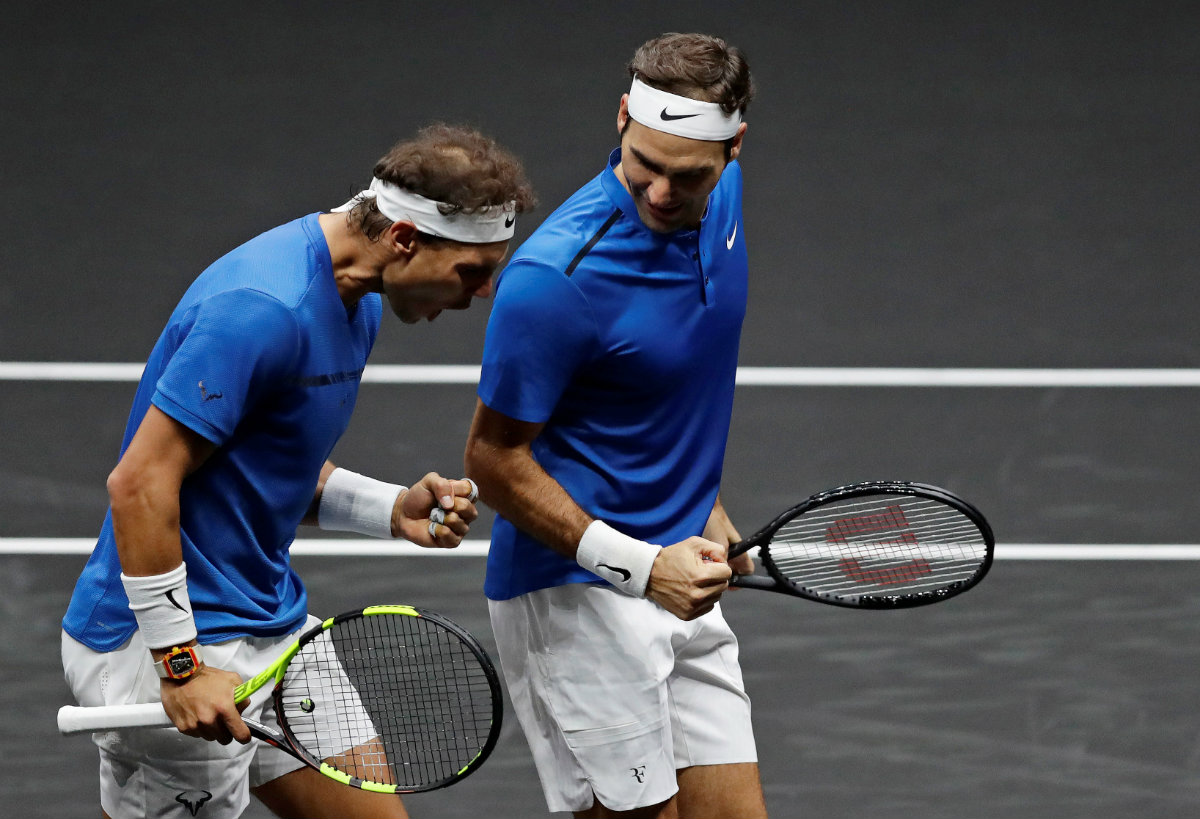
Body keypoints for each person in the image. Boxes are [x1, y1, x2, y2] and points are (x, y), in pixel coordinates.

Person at [62, 123, 536, 819]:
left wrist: (388, 507)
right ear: (404, 239)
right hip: (165, 640)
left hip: (269, 623)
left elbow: (268, 466)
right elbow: (138, 485)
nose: (484, 292)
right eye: (471, 271)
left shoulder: (362, 300)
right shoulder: (262, 309)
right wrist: (181, 668)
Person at [464, 33, 766, 819]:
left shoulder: (723, 204)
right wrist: (640, 565)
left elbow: (667, 386)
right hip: (575, 594)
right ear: (623, 116)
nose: (662, 193)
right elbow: (493, 461)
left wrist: (704, 503)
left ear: (735, 150)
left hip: (681, 566)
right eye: (645, 165)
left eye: (688, 175)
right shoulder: (554, 281)